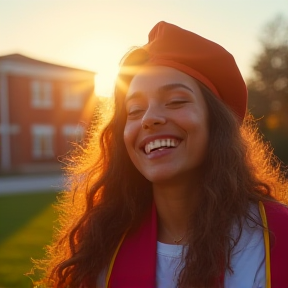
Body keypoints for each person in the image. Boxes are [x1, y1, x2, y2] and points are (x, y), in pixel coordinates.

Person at [33, 21, 288, 288]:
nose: (149, 118)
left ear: (216, 123)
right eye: (134, 110)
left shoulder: (275, 238)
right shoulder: (101, 245)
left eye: (176, 101)